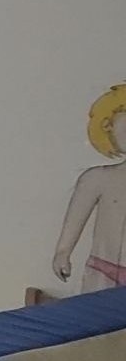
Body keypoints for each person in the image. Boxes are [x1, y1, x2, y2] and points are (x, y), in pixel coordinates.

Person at [53, 85, 126, 291]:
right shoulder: (96, 178)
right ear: (107, 128)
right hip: (103, 271)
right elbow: (76, 216)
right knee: (98, 311)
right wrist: (63, 252)